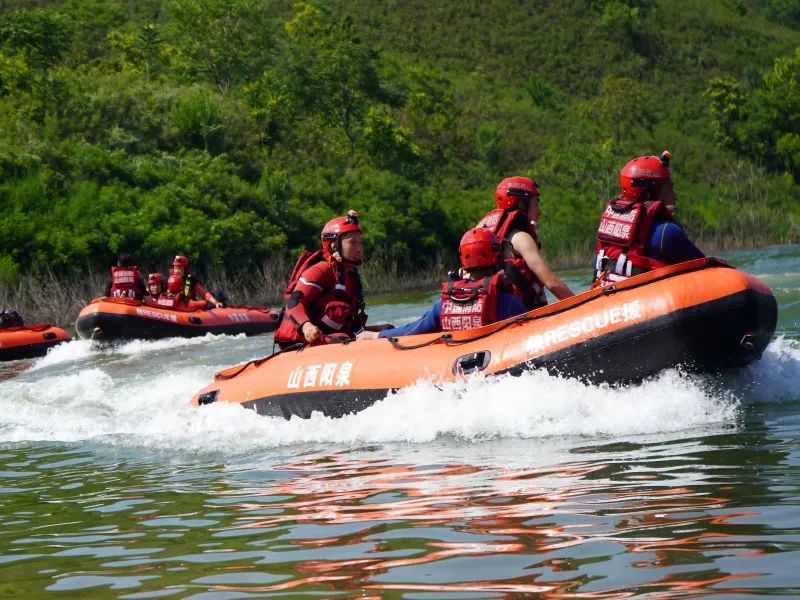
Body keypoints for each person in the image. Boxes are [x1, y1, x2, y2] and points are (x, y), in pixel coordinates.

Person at [358, 229, 526, 340]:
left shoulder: (443, 306)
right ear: (496, 258)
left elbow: (411, 330)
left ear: (463, 261)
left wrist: (375, 335)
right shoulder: (509, 303)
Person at [594, 150, 705, 284]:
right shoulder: (665, 233)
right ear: (648, 195)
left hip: (608, 301)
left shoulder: (608, 232)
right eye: (669, 188)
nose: (675, 196)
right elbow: (708, 272)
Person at [274, 210, 367, 349]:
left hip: (334, 339)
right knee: (343, 338)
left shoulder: (351, 275)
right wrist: (307, 327)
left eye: (360, 243)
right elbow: (293, 303)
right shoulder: (321, 270)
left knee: (387, 328)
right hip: (304, 343)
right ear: (334, 245)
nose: (359, 249)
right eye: (353, 243)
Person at [477, 176, 574, 308]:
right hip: (519, 316)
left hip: (492, 313)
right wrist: (583, 306)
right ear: (522, 205)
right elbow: (551, 283)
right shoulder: (521, 238)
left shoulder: (480, 229)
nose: (539, 212)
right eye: (536, 204)